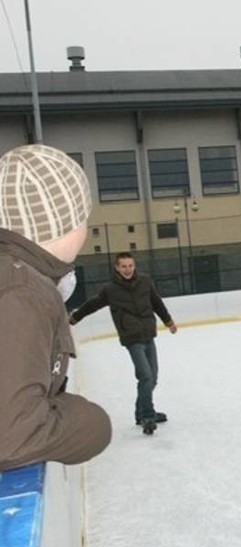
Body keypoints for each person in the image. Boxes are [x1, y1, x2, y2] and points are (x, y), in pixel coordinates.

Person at [0, 144, 111, 471]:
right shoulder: (22, 294)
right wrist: (92, 424)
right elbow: (12, 436)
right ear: (64, 224)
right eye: (83, 215)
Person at [69, 252, 177, 435]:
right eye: (124, 266)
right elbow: (92, 304)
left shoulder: (145, 281)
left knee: (152, 377)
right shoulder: (110, 290)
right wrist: (74, 318)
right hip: (131, 337)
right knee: (146, 376)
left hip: (148, 334)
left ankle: (140, 412)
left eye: (130, 266)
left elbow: (156, 303)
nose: (127, 269)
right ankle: (148, 416)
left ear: (134, 266)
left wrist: (168, 321)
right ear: (117, 268)